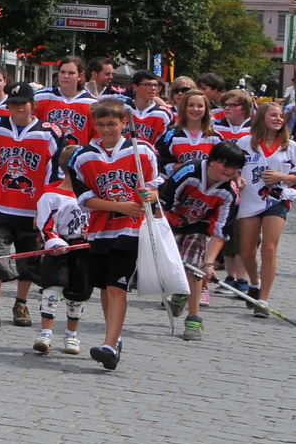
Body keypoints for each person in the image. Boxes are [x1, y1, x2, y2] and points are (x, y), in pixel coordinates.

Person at [70, 97, 160, 370]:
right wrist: (118, 206)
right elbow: (85, 199)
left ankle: (109, 344)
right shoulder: (83, 155)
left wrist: (150, 195)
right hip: (100, 231)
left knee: (116, 286)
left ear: (124, 123)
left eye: (112, 124)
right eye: (101, 125)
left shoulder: (142, 150)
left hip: (131, 230)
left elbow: (156, 187)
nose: (107, 129)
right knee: (105, 288)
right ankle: (114, 339)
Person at [0, 81, 61, 329]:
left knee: (29, 258)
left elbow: (52, 178)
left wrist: (46, 211)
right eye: (13, 103)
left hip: (32, 209)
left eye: (22, 103)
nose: (18, 108)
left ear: (33, 104)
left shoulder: (49, 133)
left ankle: (21, 302)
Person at [162, 142, 246, 341]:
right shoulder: (189, 172)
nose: (231, 171)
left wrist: (208, 263)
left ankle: (194, 318)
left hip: (200, 226)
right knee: (173, 265)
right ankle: (180, 291)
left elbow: (220, 231)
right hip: (171, 220)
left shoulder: (230, 192)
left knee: (195, 268)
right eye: (227, 165)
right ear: (213, 161)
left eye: (236, 168)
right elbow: (165, 203)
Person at [233, 101, 294, 319]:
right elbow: (233, 167)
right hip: (249, 200)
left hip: (277, 201)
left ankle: (263, 300)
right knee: (247, 251)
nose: (278, 119)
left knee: (269, 248)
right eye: (273, 115)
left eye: (280, 116)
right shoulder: (246, 143)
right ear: (262, 118)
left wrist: (282, 177)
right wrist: (238, 177)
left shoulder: (290, 146)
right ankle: (254, 282)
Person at [30, 153, 91, 356]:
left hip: (84, 250)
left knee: (78, 293)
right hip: (59, 249)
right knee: (52, 289)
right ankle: (46, 333)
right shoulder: (51, 195)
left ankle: (71, 335)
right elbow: (45, 225)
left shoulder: (92, 196)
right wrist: (55, 241)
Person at [34, 56, 94, 149]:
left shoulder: (92, 104)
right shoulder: (41, 98)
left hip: (78, 159)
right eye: (62, 72)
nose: (66, 76)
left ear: (80, 76)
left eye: (71, 73)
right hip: (48, 158)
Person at [157, 89, 220, 174]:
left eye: (200, 106)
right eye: (190, 105)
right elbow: (163, 165)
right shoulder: (171, 136)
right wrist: (190, 167)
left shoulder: (215, 137)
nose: (195, 109)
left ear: (205, 109)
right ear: (184, 108)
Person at [126, 71, 174, 149]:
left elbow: (165, 143)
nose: (153, 88)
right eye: (148, 85)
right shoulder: (121, 108)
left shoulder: (163, 113)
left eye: (155, 85)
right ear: (135, 87)